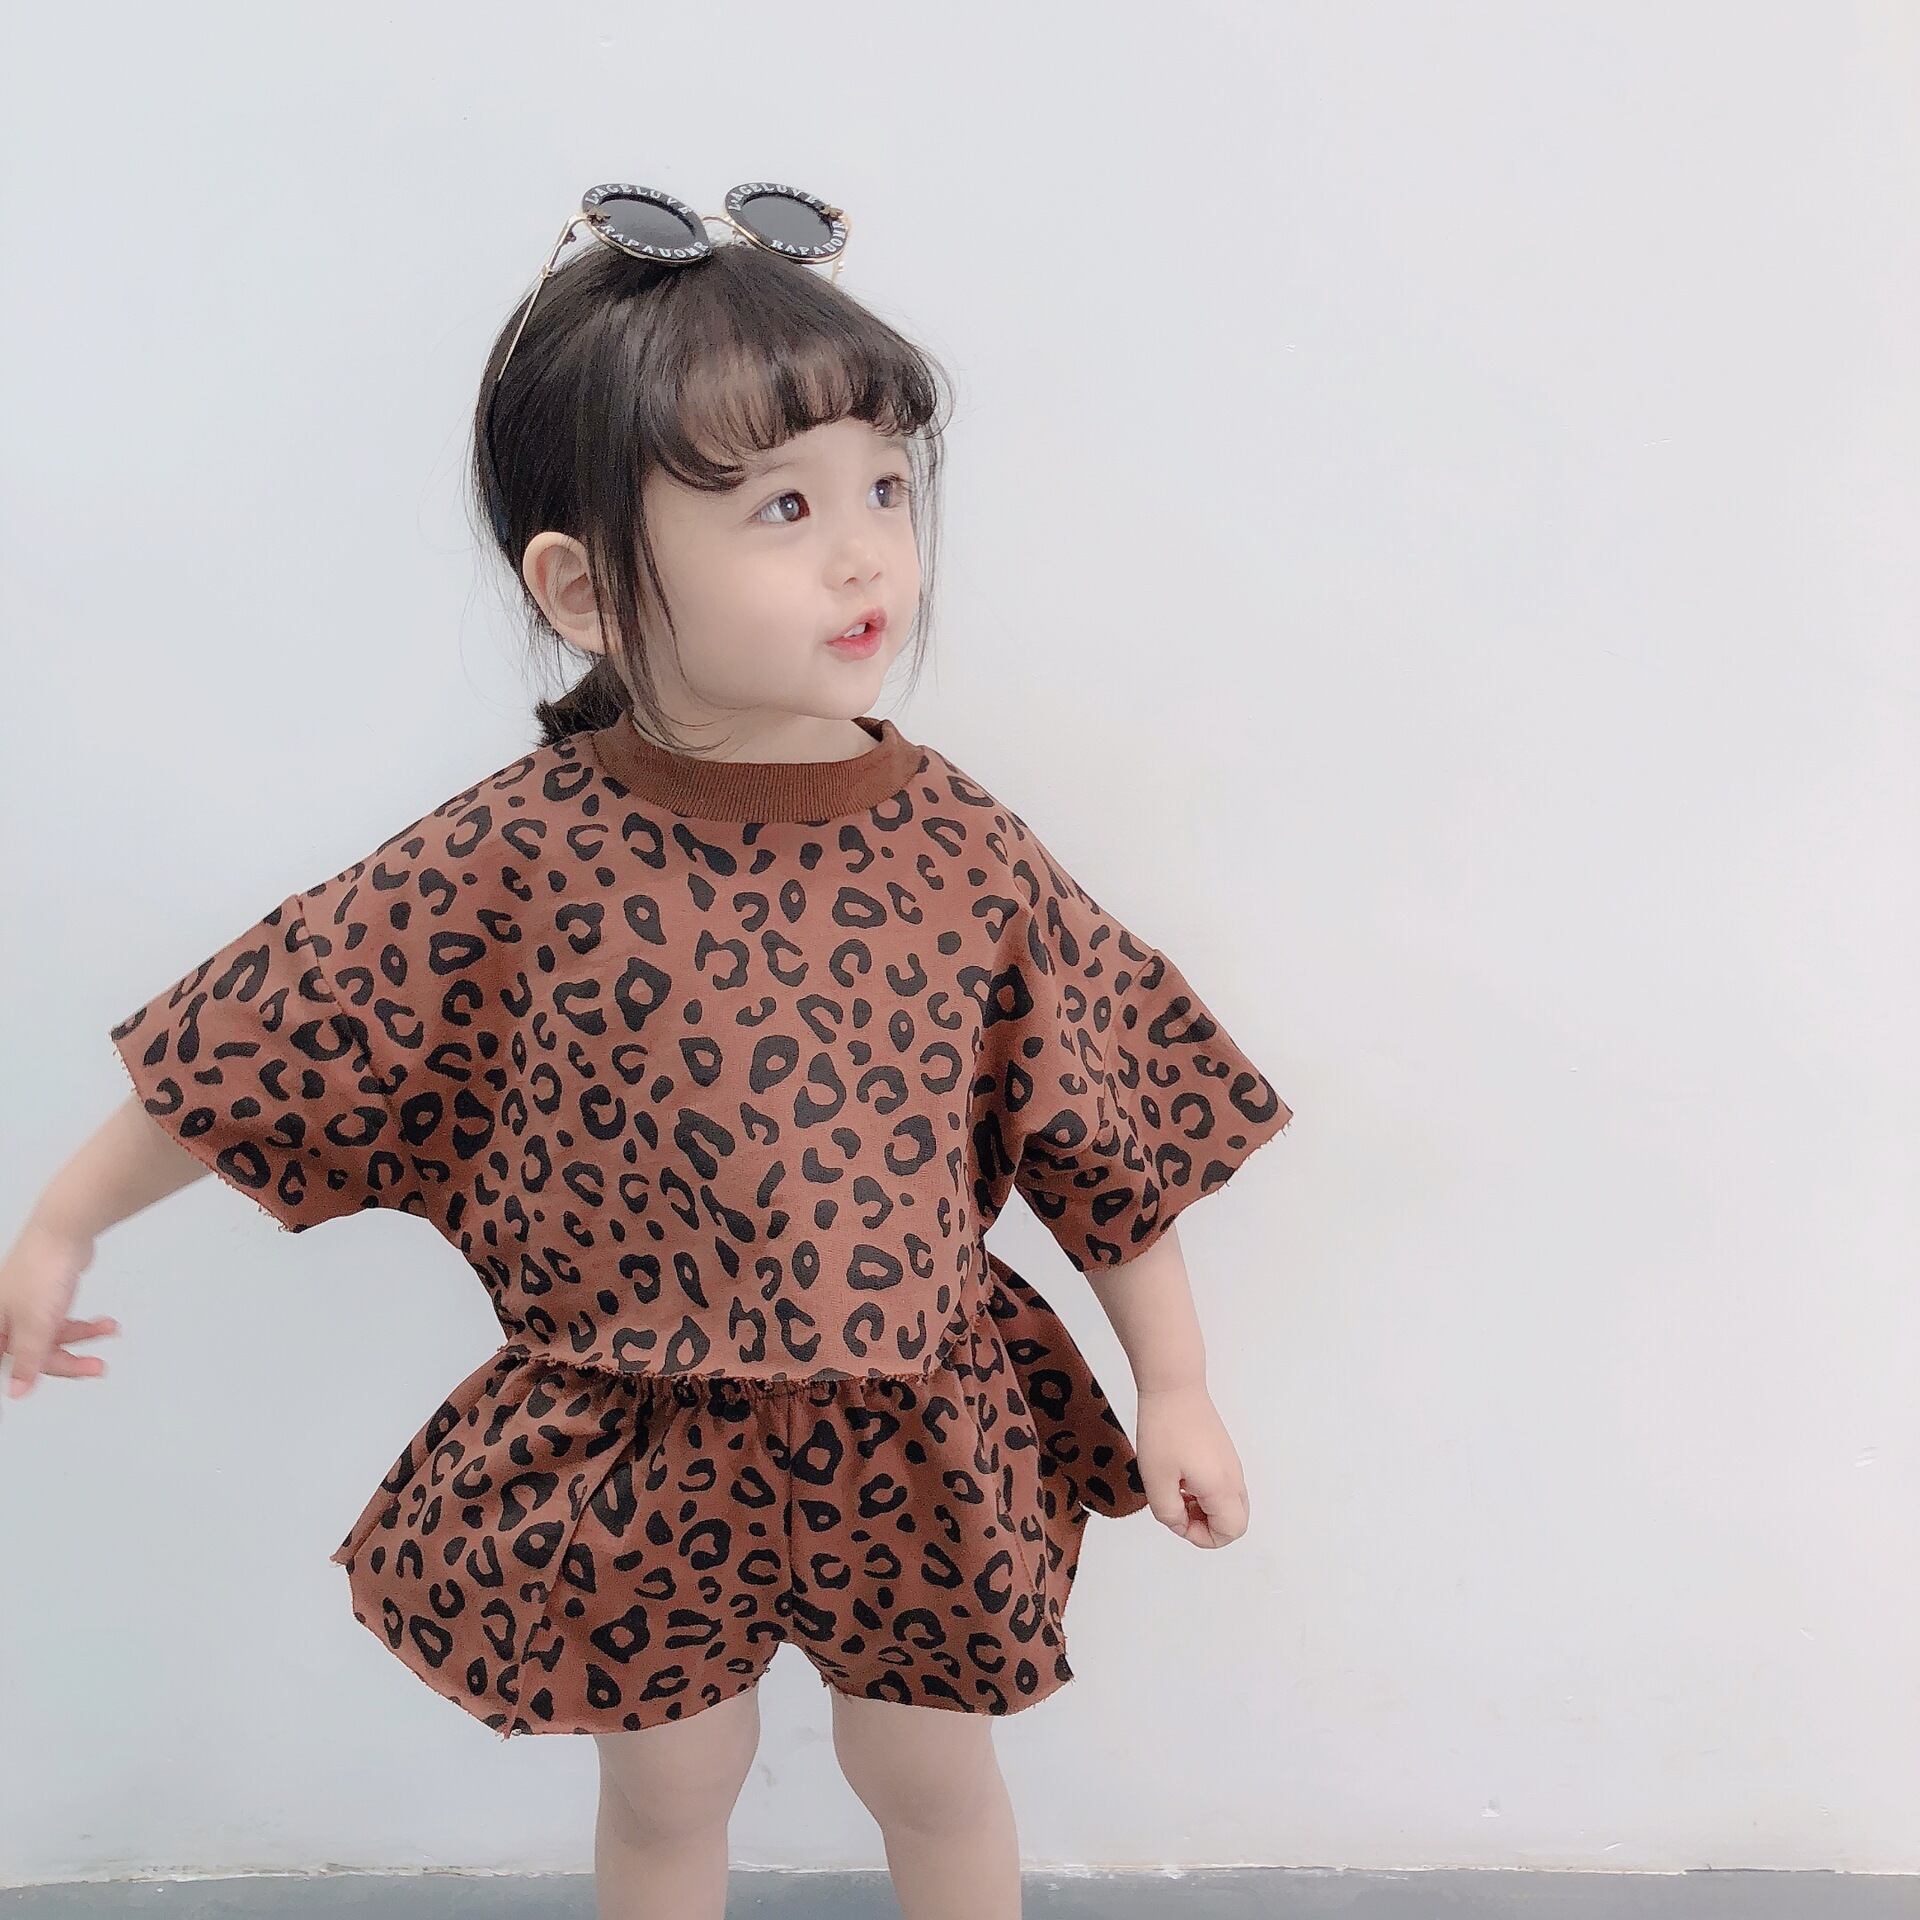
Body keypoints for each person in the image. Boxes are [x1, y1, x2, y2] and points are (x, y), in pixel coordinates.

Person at [0, 185, 1294, 1920]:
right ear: (586, 585)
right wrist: (65, 1220)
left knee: (928, 1773)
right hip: (637, 1433)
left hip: (914, 1422)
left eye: (886, 488)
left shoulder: (964, 854)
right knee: (671, 1787)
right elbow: (275, 1040)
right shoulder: (516, 854)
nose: (866, 554)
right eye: (783, 507)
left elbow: (1103, 1137)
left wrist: (1178, 1385)